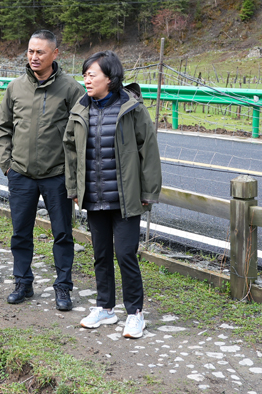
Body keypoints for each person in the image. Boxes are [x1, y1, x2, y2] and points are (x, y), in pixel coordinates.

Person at [63, 51, 161, 339]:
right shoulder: (80, 109)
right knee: (101, 254)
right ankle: (105, 307)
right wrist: (74, 188)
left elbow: (148, 151)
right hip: (94, 196)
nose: (86, 80)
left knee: (125, 254)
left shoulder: (132, 109)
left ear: (110, 78)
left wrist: (148, 191)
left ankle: (135, 313)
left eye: (92, 75)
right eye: (85, 75)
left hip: (126, 197)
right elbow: (70, 151)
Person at [0, 30, 85, 311]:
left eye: (40, 52)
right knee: (20, 233)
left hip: (56, 175)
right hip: (21, 174)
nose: (34, 57)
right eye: (31, 51)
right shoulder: (15, 88)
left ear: (55, 54)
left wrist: (73, 174)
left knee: (63, 234)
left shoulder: (71, 89)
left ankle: (63, 286)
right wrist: (7, 165)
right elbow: (2, 127)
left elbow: (81, 134)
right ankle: (23, 282)